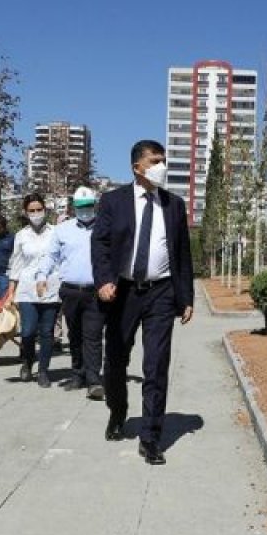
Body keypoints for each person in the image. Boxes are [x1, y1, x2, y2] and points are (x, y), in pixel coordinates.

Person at [92, 140, 194, 465]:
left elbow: (182, 255)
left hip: (161, 293)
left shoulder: (174, 205)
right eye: (155, 161)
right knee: (116, 360)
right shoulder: (112, 201)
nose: (162, 166)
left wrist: (186, 297)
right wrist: (104, 280)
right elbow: (101, 245)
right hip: (122, 291)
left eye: (164, 160)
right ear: (138, 166)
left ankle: (151, 436)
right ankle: (118, 411)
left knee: (156, 365)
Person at [34, 186, 104, 401]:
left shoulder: (104, 227)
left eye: (88, 206)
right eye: (80, 207)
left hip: (96, 292)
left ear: (95, 206)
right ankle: (78, 374)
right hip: (71, 291)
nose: (85, 210)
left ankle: (94, 380)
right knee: (75, 335)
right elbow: (50, 255)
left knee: (92, 336)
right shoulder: (62, 230)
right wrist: (41, 275)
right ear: (74, 207)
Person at [7, 193, 60, 387]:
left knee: (47, 332)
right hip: (27, 289)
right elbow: (16, 264)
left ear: (45, 210)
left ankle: (43, 371)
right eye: (32, 211)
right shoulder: (21, 236)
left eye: (39, 210)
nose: (36, 213)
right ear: (26, 212)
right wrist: (11, 291)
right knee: (28, 331)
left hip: (50, 288)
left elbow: (61, 259)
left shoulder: (56, 233)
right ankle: (27, 361)